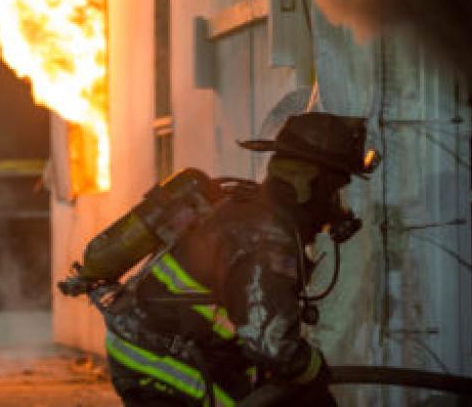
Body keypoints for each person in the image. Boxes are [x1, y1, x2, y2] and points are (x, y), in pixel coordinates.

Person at [94, 113, 379, 407]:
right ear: (308, 182)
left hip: (162, 341)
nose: (337, 206)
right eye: (335, 191)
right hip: (153, 354)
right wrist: (313, 370)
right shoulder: (267, 237)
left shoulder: (253, 212)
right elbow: (273, 345)